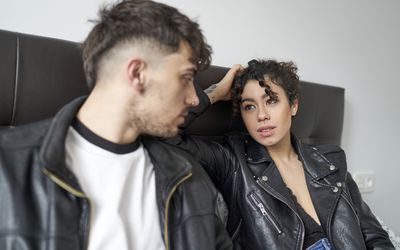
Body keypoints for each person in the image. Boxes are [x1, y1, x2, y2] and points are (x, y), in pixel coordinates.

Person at [0, 1, 233, 249]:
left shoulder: (189, 179)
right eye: (185, 78)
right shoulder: (8, 164)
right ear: (137, 74)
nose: (194, 98)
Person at [176, 59, 395, 249]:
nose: (261, 115)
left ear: (293, 106)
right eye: (249, 106)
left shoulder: (329, 161)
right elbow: (165, 139)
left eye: (271, 101)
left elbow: (374, 236)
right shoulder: (233, 161)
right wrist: (214, 93)